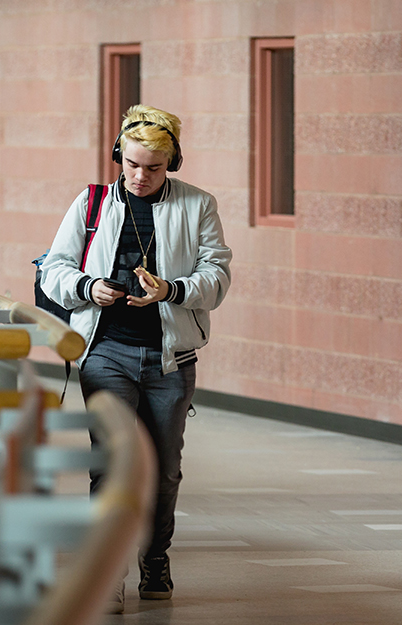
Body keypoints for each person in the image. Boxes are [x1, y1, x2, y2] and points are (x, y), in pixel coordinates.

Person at [39, 104, 231, 610]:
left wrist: (170, 289)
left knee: (165, 468)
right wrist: (88, 286)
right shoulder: (92, 201)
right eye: (132, 164)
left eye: (154, 167)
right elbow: (52, 269)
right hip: (106, 352)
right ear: (118, 156)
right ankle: (110, 572)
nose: (141, 177)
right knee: (111, 463)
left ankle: (155, 558)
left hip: (170, 359)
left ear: (172, 164)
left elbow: (217, 278)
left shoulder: (198, 205)